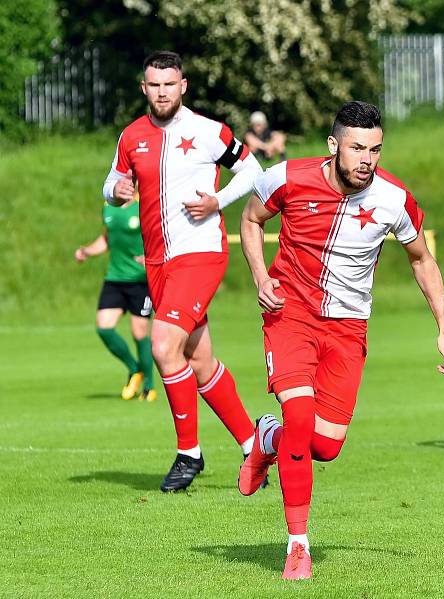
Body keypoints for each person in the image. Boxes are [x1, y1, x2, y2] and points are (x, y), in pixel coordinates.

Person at [238, 101, 444, 579]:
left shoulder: (394, 199)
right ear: (334, 144)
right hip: (290, 315)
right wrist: (261, 277)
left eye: (376, 149)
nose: (368, 158)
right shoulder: (289, 177)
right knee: (300, 419)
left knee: (326, 446)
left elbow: (422, 259)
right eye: (358, 147)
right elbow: (251, 219)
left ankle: (267, 438)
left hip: (348, 327)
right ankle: (298, 546)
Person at [102, 51, 262, 492]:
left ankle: (189, 454)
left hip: (200, 254)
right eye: (154, 85)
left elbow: (253, 170)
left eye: (169, 84)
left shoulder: (208, 131)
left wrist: (218, 201)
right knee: (199, 359)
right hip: (157, 264)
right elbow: (111, 185)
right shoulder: (131, 136)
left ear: (183, 86)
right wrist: (115, 191)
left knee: (162, 344)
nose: (162, 92)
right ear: (144, 88)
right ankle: (254, 446)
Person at [74, 197, 156, 402]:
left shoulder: (143, 206)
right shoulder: (108, 207)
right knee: (104, 327)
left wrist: (153, 258)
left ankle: (149, 386)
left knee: (139, 333)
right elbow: (107, 238)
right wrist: (87, 251)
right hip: (115, 279)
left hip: (141, 282)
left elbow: (159, 235)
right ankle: (134, 369)